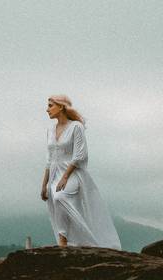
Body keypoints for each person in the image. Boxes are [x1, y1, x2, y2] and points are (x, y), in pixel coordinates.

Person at [40, 94, 121, 249]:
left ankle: (80, 240)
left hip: (72, 173)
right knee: (56, 204)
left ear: (61, 106)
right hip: (54, 175)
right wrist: (44, 184)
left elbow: (80, 155)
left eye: (50, 105)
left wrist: (65, 177)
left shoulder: (76, 127)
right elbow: (49, 159)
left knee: (60, 197)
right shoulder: (50, 130)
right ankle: (63, 241)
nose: (47, 109)